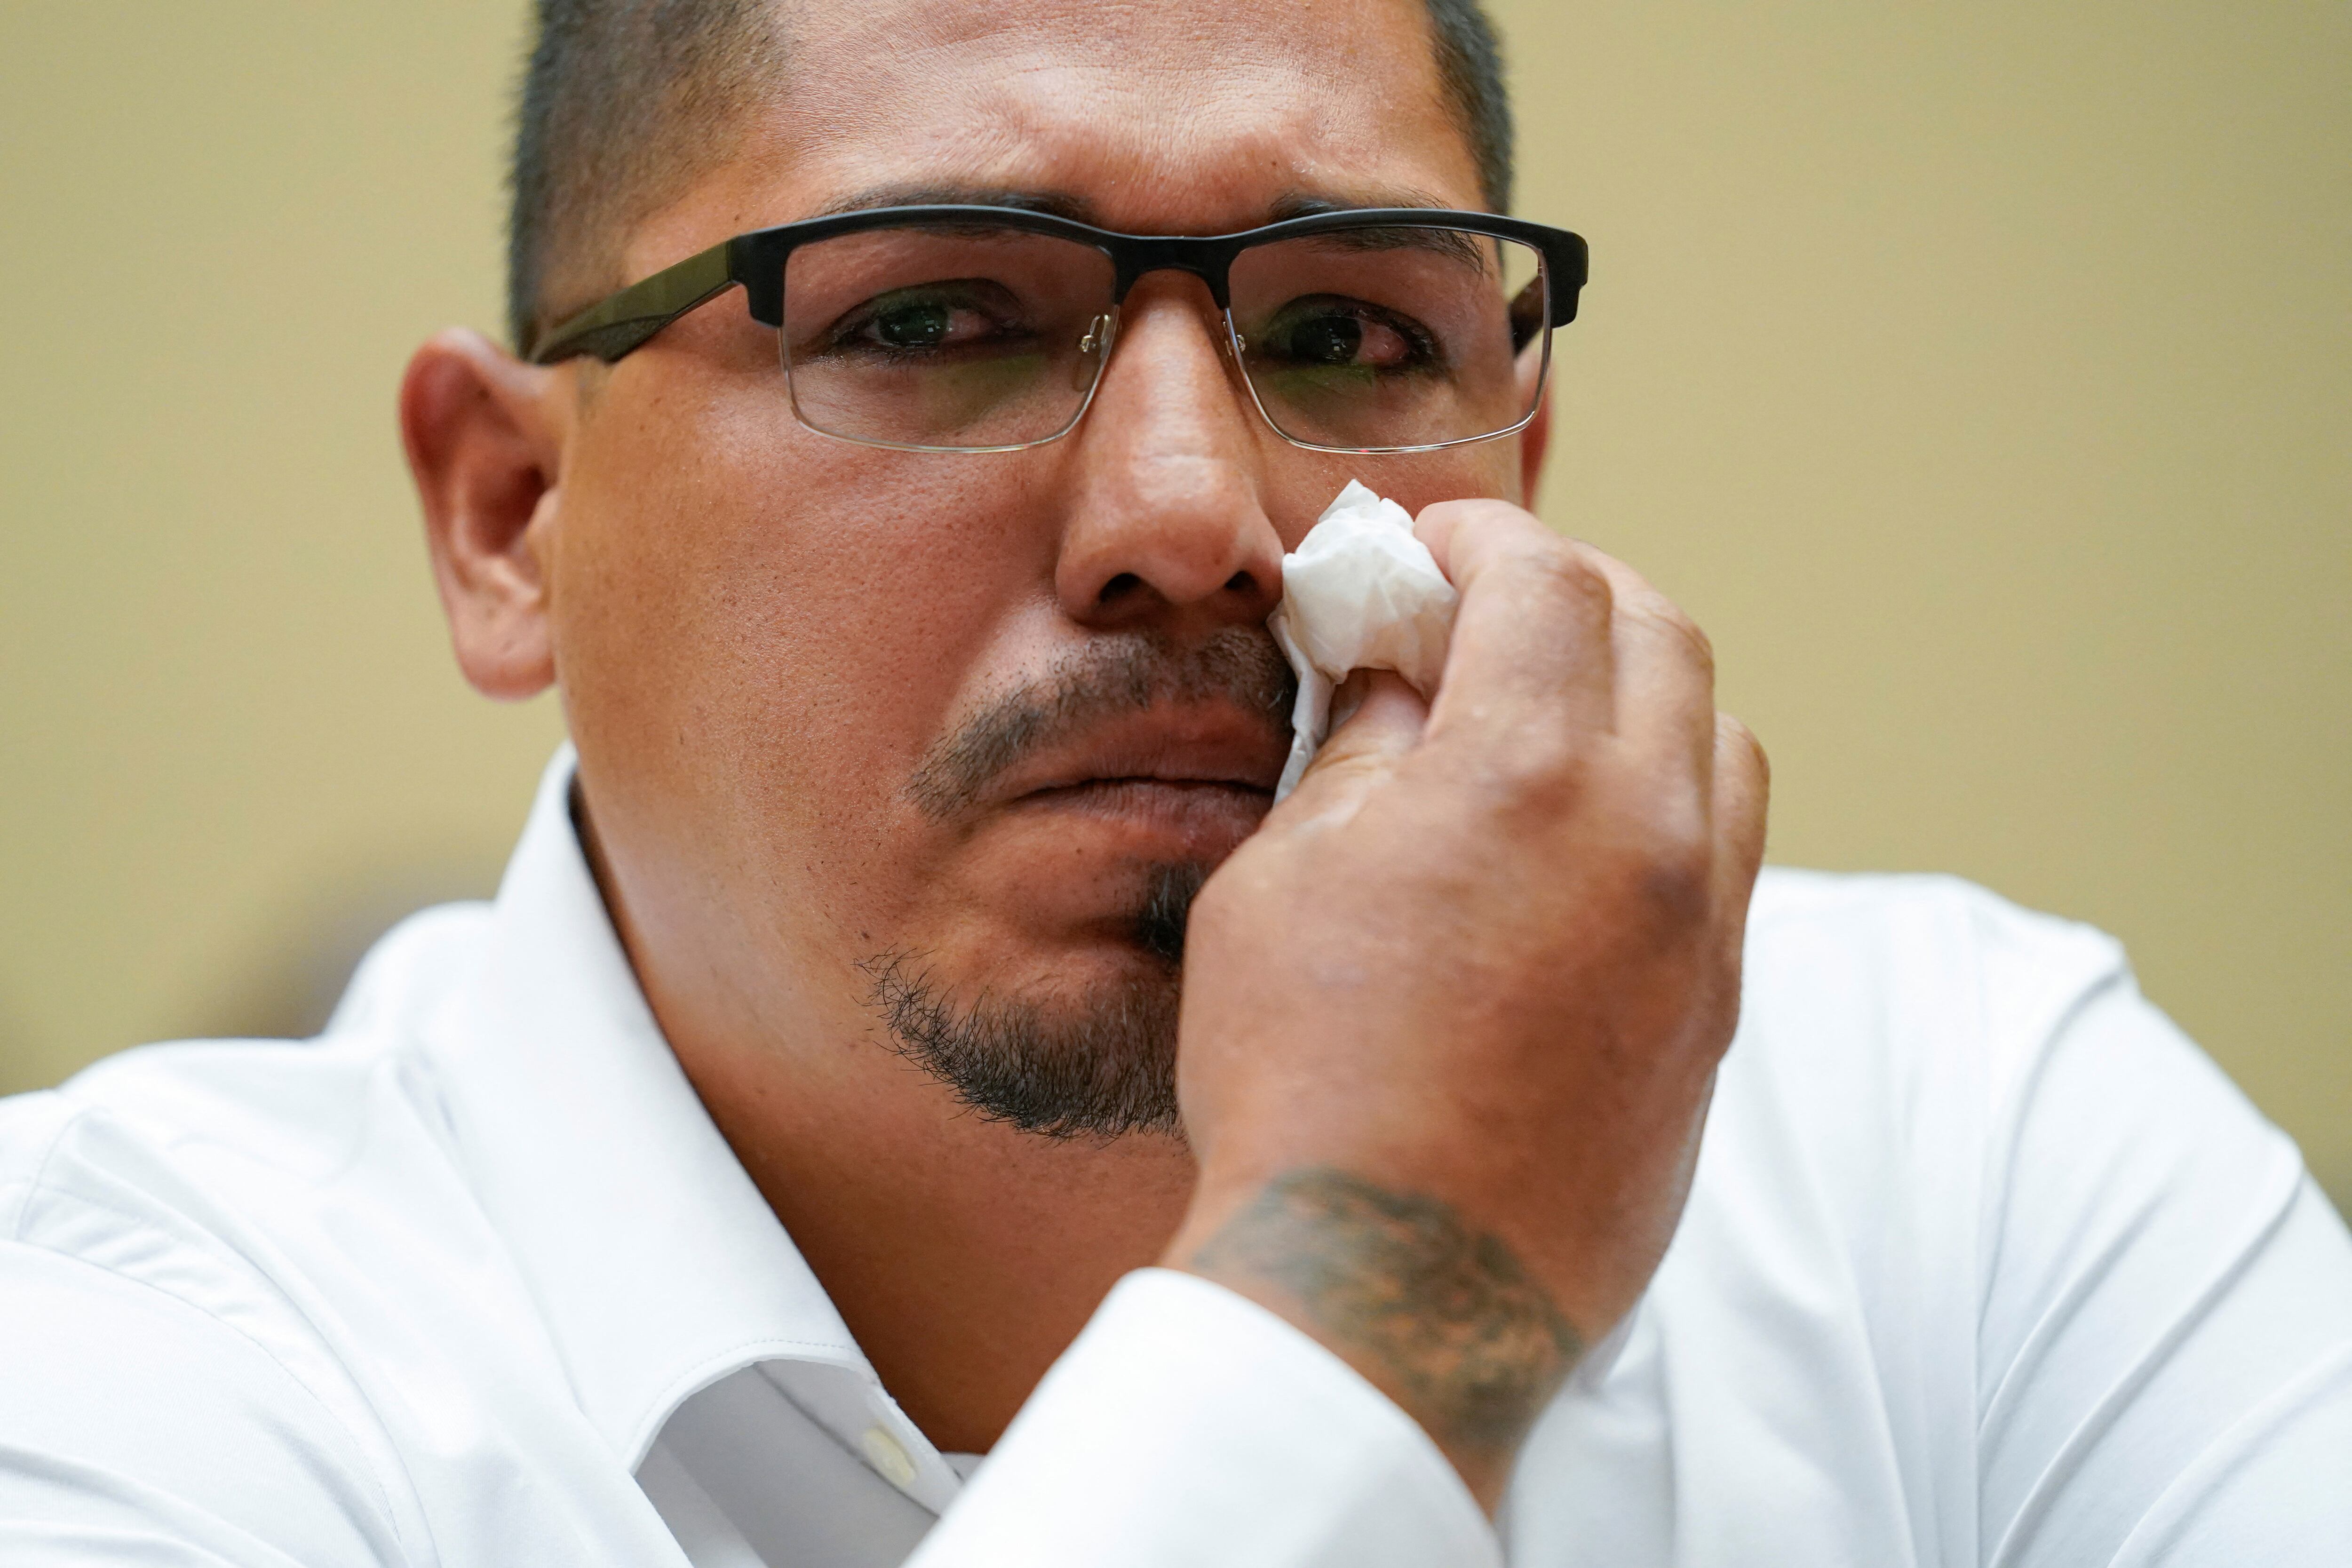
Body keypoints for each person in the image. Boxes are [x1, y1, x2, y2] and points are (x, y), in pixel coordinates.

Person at [2, 0, 2345, 1562]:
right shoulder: (113, 1371)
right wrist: (1383, 1292)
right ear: (510, 517)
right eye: (926, 314)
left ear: (1518, 462)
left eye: (1344, 333)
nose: (1190, 516)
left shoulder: (1968, 1155)